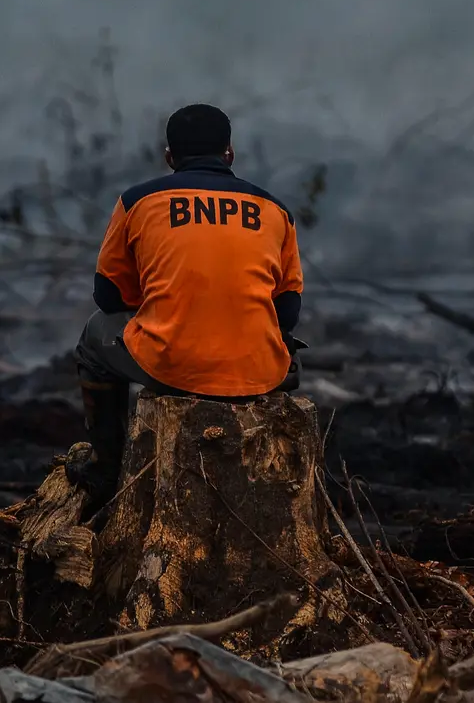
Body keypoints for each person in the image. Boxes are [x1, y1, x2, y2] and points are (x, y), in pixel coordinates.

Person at [70, 103, 305, 500]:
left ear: (169, 157)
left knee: (95, 335)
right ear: (230, 153)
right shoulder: (275, 210)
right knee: (281, 347)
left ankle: (105, 469)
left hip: (172, 368)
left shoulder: (138, 201)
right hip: (260, 372)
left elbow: (109, 297)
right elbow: (287, 313)